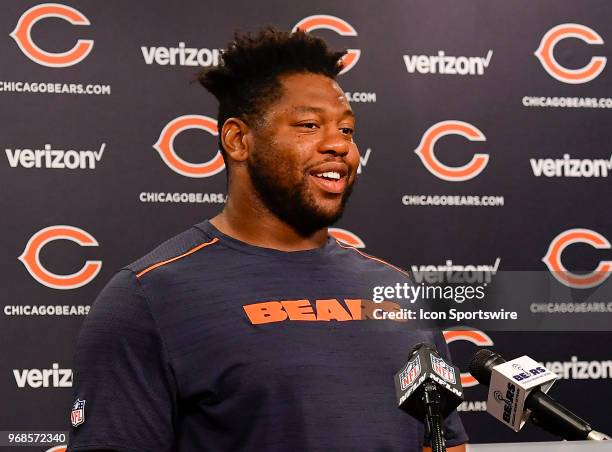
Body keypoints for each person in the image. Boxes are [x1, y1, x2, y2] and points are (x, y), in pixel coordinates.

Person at [67, 28, 468, 452]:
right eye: (310, 125)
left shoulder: (397, 288)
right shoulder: (148, 297)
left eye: (347, 130)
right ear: (239, 140)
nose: (339, 145)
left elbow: (442, 442)